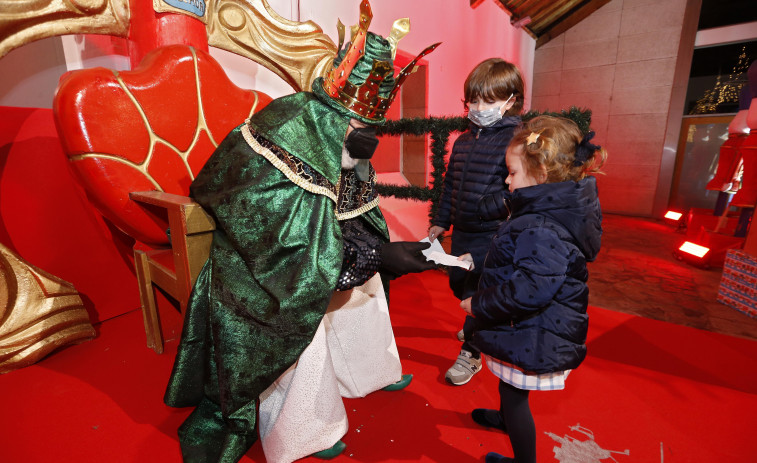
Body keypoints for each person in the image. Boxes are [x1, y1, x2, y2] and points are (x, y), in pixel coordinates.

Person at [162, 2, 439, 462]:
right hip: (255, 267)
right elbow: (289, 257)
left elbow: (349, 213)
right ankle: (307, 431)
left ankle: (368, 371)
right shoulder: (289, 133)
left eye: (372, 129)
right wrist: (376, 256)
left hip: (304, 251)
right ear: (330, 114)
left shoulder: (336, 138)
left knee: (367, 282)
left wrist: (378, 250)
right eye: (357, 127)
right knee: (296, 309)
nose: (364, 139)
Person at [459, 115, 606, 463]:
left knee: (514, 395)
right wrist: (505, 201)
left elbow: (529, 290)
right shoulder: (552, 205)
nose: (506, 181)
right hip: (528, 327)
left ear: (540, 176)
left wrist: (477, 305)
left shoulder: (541, 226)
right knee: (509, 386)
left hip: (534, 332)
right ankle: (503, 417)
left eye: (511, 174)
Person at [427, 58, 525, 386]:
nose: (479, 107)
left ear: (511, 101)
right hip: (464, 232)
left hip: (494, 235)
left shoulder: (517, 141)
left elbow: (523, 193)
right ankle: (477, 322)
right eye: (474, 99)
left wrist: (496, 205)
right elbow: (451, 183)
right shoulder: (464, 140)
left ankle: (471, 349)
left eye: (489, 101)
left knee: (481, 295)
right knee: (460, 286)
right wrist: (441, 221)